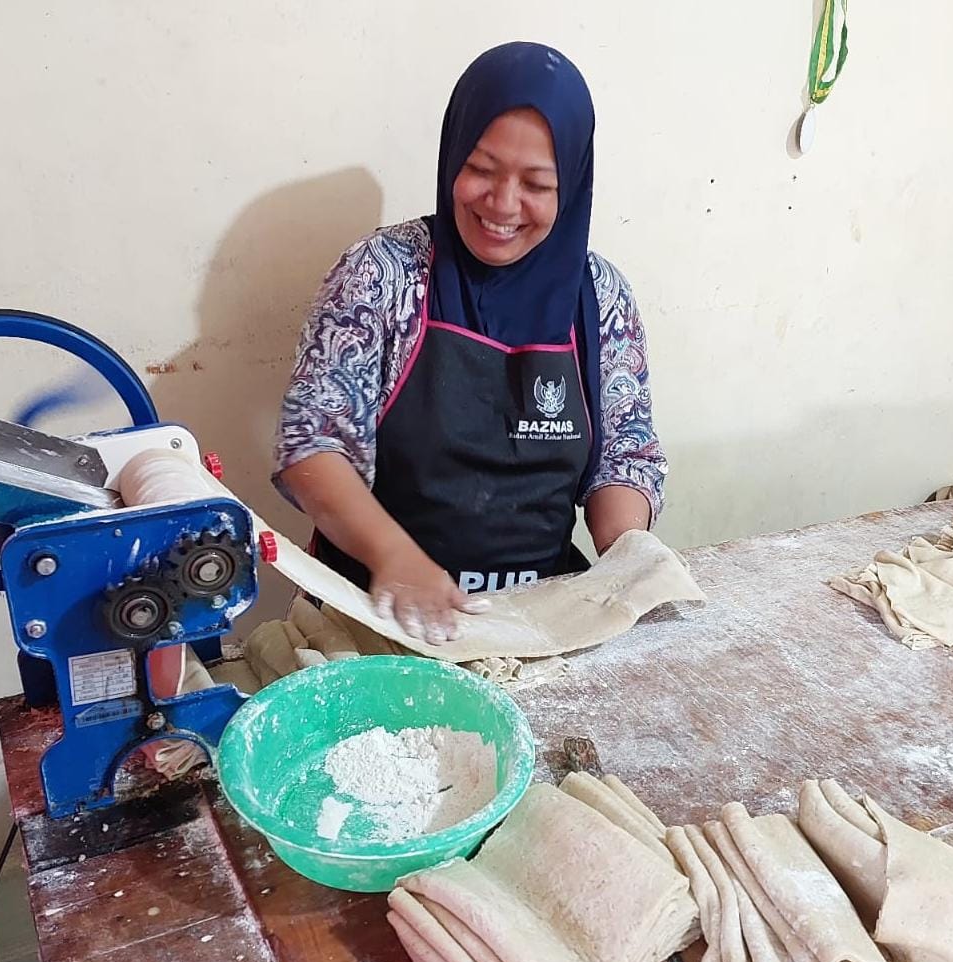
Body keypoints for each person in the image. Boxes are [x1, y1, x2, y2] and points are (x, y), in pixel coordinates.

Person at [274, 42, 665, 645]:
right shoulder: (384, 273)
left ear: (574, 184)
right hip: (377, 614)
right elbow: (312, 446)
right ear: (453, 155)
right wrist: (396, 559)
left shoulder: (600, 297)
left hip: (536, 620)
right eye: (481, 170)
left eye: (537, 183)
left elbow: (624, 458)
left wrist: (627, 559)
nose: (503, 204)